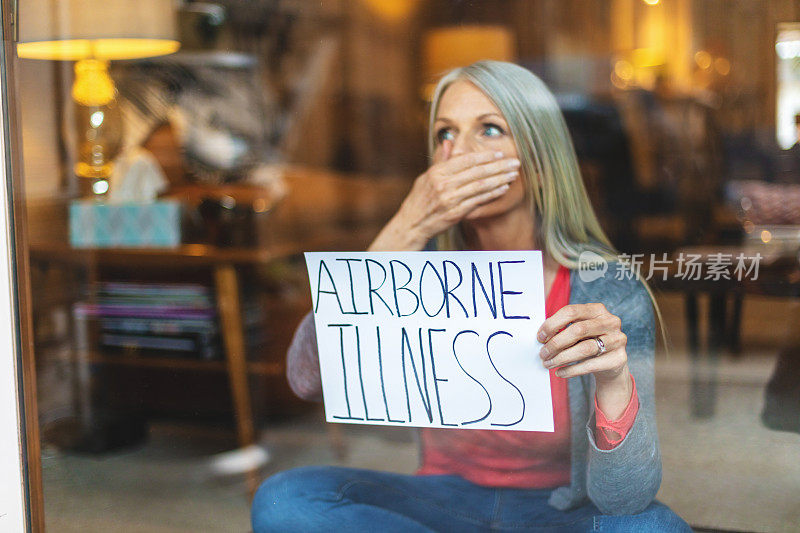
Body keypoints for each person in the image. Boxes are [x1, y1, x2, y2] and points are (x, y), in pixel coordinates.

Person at [251, 60, 691, 532]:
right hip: (440, 503)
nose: (458, 152)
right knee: (284, 499)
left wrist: (614, 382)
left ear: (540, 161)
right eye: (444, 134)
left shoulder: (606, 288)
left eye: (489, 129)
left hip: (561, 511)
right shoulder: (411, 274)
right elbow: (305, 378)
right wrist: (406, 228)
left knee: (650, 528)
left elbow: (625, 498)